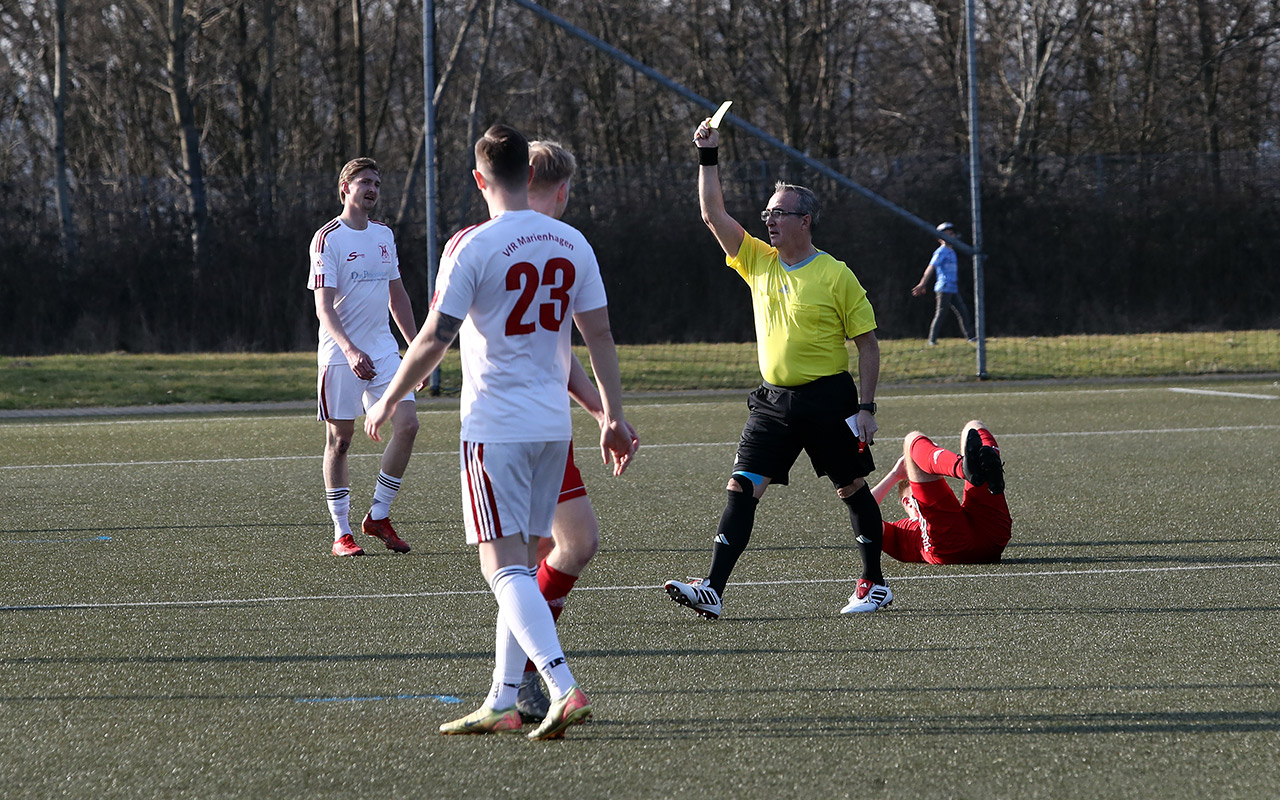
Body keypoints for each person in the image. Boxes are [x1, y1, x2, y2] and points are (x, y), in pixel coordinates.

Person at [364, 124, 635, 741]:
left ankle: (563, 687)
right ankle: (503, 699)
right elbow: (598, 337)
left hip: (495, 427)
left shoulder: (474, 245)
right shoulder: (572, 241)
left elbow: (434, 337)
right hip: (551, 429)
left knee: (503, 570)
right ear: (531, 177)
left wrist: (390, 396)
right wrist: (611, 414)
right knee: (524, 563)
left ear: (481, 179)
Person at [663, 116, 892, 620]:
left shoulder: (836, 274)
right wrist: (708, 155)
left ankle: (874, 584)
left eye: (780, 213)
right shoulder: (758, 261)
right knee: (742, 484)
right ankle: (714, 588)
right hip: (772, 401)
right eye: (767, 212)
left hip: (830, 400)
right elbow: (711, 213)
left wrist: (868, 408)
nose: (769, 220)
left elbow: (868, 346)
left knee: (851, 487)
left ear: (805, 221)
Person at [513, 139, 641, 723]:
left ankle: (519, 680)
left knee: (559, 546)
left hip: (543, 424)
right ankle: (529, 678)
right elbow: (598, 337)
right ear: (562, 189)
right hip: (505, 425)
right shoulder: (536, 242)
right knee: (549, 550)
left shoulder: (539, 243)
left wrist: (599, 412)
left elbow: (559, 347)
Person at [308, 157, 421, 557]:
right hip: (341, 354)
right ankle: (341, 533)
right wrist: (350, 349)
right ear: (345, 189)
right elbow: (324, 308)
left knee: (407, 425)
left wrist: (415, 348)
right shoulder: (328, 239)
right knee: (340, 440)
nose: (372, 189)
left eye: (376, 182)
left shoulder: (384, 236)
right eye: (364, 182)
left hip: (384, 350)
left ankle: (377, 515)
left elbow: (398, 296)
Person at [864, 421, 1008, 574]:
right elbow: (862, 515)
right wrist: (894, 476)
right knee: (911, 440)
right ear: (907, 501)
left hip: (991, 539)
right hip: (952, 547)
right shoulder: (899, 531)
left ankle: (975, 466)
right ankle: (963, 467)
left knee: (973, 427)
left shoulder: (957, 514)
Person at [911, 221, 975, 345]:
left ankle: (971, 337)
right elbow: (931, 267)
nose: (950, 236)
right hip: (944, 288)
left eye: (951, 234)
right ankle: (932, 340)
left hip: (953, 288)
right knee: (941, 314)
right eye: (946, 234)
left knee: (963, 312)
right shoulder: (941, 252)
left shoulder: (952, 251)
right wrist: (923, 283)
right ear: (940, 238)